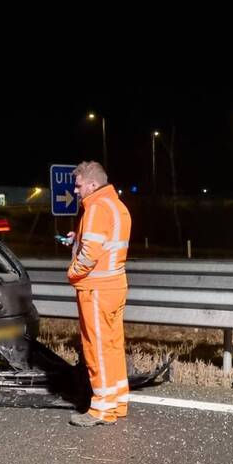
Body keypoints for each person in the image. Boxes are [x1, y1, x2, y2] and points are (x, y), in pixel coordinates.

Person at [64, 161, 132, 427]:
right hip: (115, 286)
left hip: (95, 289)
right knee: (113, 346)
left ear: (92, 184)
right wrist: (77, 237)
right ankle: (117, 402)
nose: (76, 191)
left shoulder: (94, 208)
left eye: (79, 185)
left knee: (97, 349)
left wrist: (73, 274)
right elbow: (103, 242)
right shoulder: (117, 206)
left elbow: (90, 254)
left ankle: (101, 409)